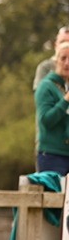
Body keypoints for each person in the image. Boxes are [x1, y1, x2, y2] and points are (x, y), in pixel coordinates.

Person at [34, 41, 69, 175]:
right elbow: (46, 120)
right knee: (53, 196)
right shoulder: (46, 87)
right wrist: (65, 101)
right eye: (63, 58)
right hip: (52, 156)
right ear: (56, 62)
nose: (67, 63)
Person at [33, 26, 69, 91]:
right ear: (55, 45)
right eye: (62, 42)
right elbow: (40, 95)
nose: (65, 45)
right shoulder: (45, 67)